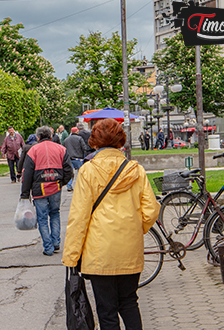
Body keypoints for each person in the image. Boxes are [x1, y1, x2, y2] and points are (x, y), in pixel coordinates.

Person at [62, 118, 160, 330]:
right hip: (129, 249)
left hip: (99, 252)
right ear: (120, 141)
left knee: (106, 311)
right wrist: (135, 228)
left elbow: (79, 217)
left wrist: (71, 255)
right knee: (129, 302)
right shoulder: (135, 170)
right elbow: (152, 209)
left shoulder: (88, 171)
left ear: (94, 142)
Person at [20, 126, 73, 256]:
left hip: (39, 190)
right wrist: (62, 183)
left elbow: (27, 174)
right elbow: (68, 171)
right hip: (56, 186)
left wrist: (25, 193)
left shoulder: (33, 151)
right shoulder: (61, 149)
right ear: (51, 136)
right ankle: (56, 243)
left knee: (42, 218)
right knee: (55, 214)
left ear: (38, 137)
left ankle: (48, 247)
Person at [62, 127, 87, 192]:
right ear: (77, 132)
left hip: (69, 158)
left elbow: (64, 149)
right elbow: (84, 148)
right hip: (79, 158)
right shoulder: (79, 138)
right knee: (81, 173)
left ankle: (69, 186)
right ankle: (81, 186)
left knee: (70, 173)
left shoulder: (66, 140)